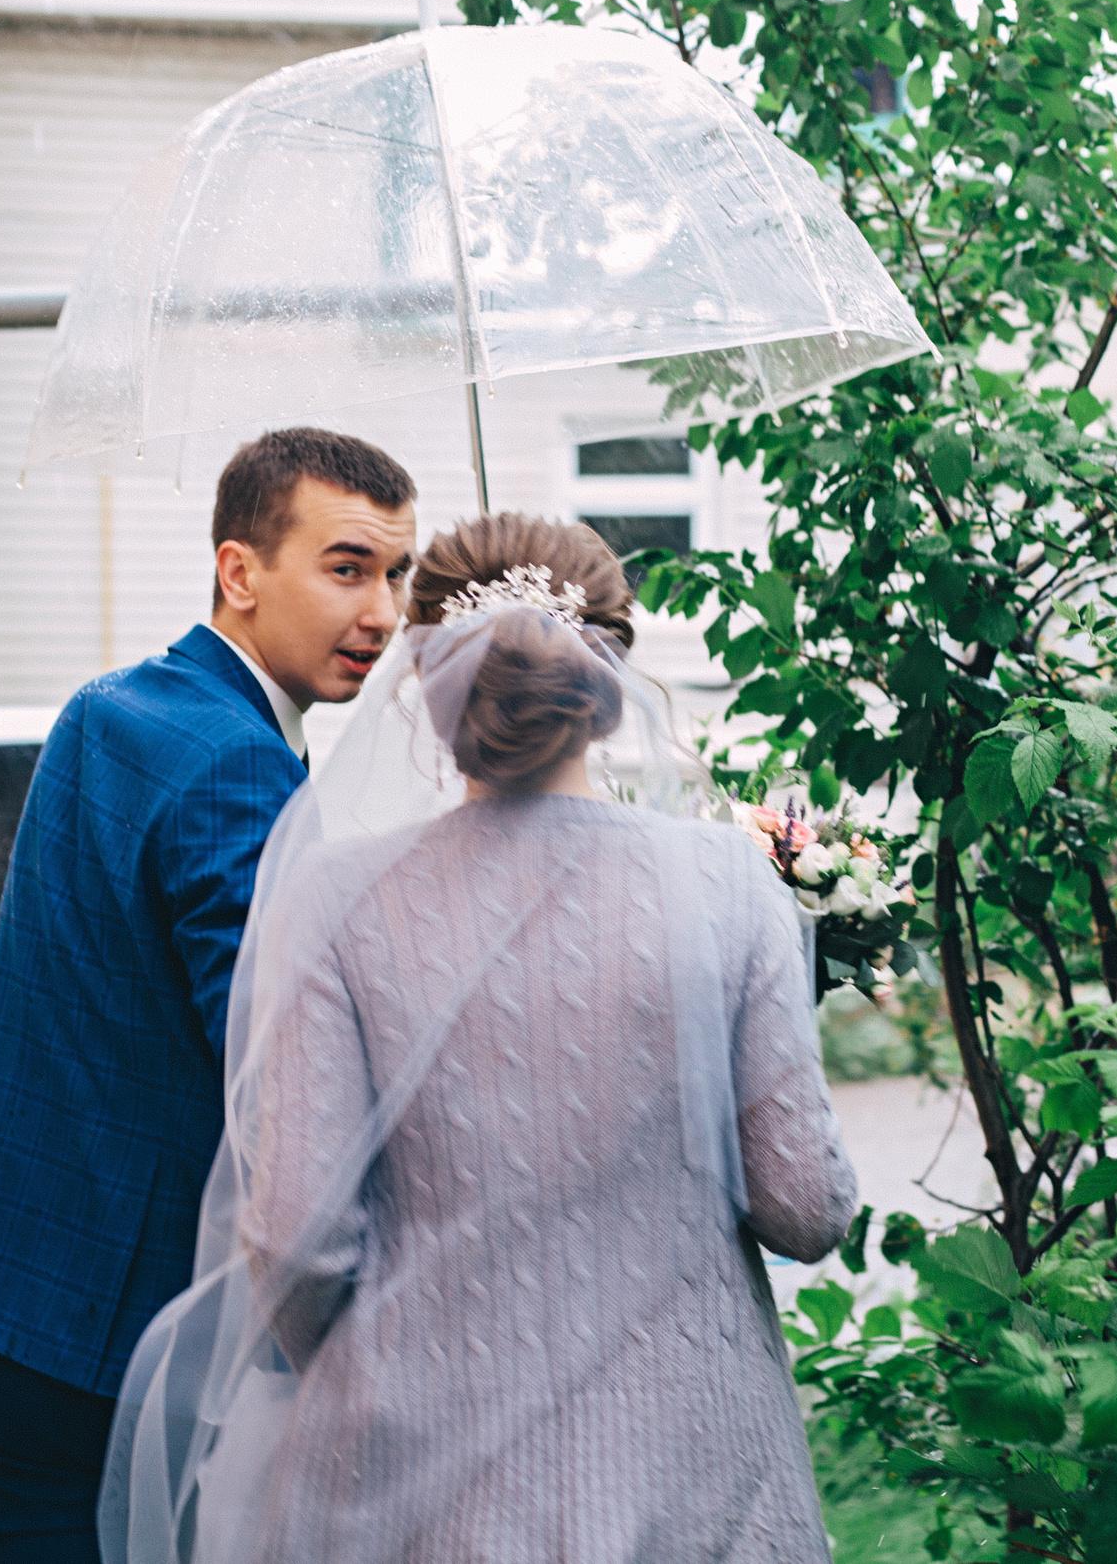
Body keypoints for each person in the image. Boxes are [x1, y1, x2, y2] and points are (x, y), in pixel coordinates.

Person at [103, 514, 859, 1564]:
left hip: (418, 1486)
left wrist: (401, 1357)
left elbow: (298, 1238)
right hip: (693, 1472)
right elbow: (806, 1208)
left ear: (424, 678)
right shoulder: (727, 884)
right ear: (607, 675)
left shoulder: (335, 896)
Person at [0, 428, 419, 1564]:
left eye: (396, 574)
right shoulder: (235, 763)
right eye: (347, 568)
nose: (383, 615)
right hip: (129, 1325)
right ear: (240, 572)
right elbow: (279, 1055)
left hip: (24, 1281)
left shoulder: (114, 706)